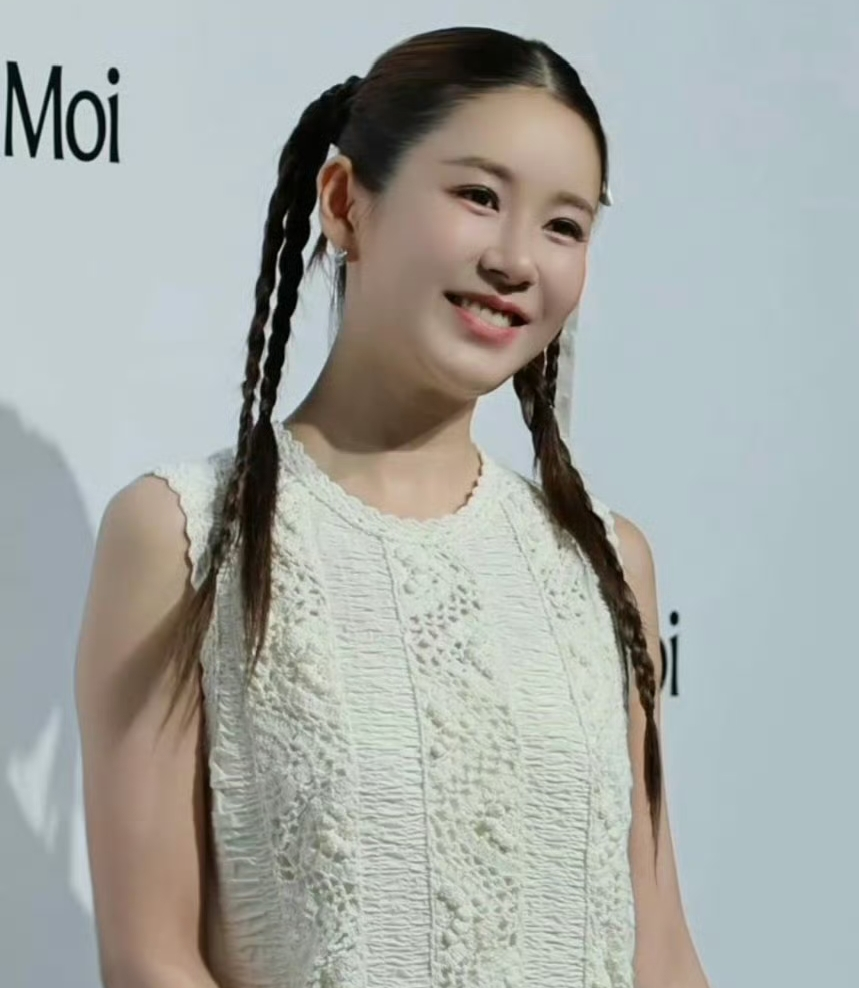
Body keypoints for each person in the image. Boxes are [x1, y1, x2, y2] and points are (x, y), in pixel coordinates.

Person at [74, 25, 710, 988]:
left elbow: (658, 946)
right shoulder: (184, 535)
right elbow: (150, 959)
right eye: (478, 196)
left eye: (564, 225)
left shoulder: (605, 561)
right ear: (344, 203)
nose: (516, 259)